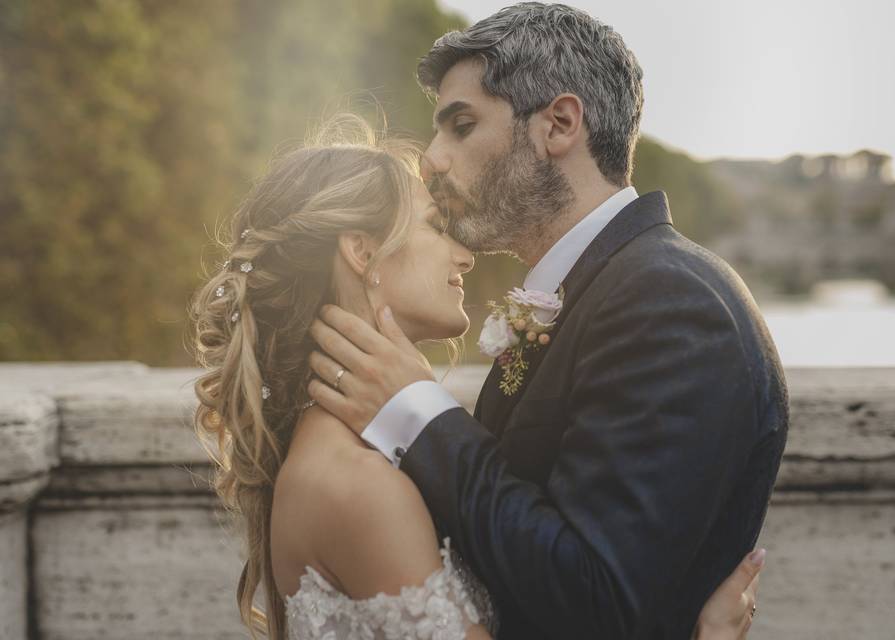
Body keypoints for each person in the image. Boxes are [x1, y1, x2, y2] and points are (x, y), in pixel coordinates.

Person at [305, 4, 789, 640]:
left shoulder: (670, 302)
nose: (432, 159)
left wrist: (417, 410)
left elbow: (594, 596)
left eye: (461, 124)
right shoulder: (600, 291)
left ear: (558, 124)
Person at [190, 116, 765, 639]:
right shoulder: (358, 484)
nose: (463, 255)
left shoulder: (360, 449)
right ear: (363, 252)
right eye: (436, 227)